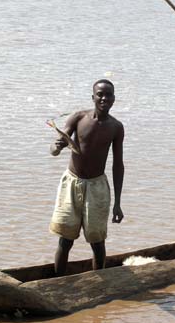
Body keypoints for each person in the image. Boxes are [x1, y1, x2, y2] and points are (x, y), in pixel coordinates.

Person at [49, 79, 125, 274]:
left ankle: (97, 283)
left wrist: (117, 202)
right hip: (72, 183)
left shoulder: (116, 127)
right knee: (65, 240)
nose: (104, 98)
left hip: (97, 187)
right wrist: (56, 148)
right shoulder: (78, 118)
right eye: (100, 94)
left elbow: (118, 164)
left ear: (114, 99)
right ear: (93, 97)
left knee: (97, 241)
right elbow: (60, 141)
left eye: (108, 95)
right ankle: (57, 282)